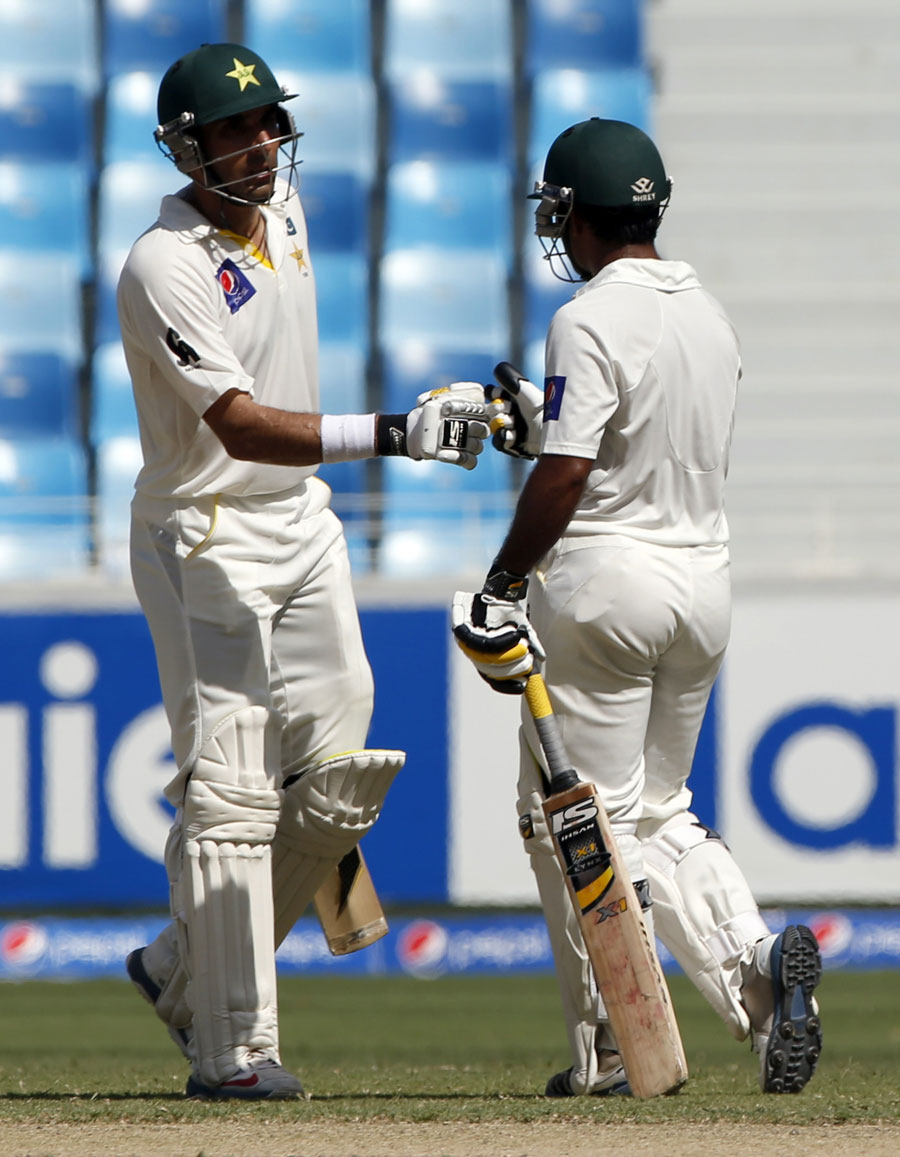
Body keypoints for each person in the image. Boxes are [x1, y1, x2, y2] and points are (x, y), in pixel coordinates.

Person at [116, 42, 490, 1100]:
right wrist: (396, 432)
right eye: (236, 132)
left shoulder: (284, 213)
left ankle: (179, 963)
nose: (262, 144)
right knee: (232, 790)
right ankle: (232, 1046)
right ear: (188, 147)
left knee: (335, 777)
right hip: (205, 531)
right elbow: (236, 426)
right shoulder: (163, 264)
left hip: (302, 525)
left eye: (269, 123)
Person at [452, 118, 823, 1098]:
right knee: (659, 812)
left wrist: (501, 580)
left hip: (607, 585)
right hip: (703, 583)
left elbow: (574, 473)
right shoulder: (709, 311)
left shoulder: (587, 317)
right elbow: (629, 438)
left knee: (567, 818)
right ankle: (752, 969)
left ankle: (613, 1050)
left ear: (574, 210)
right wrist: (544, 424)